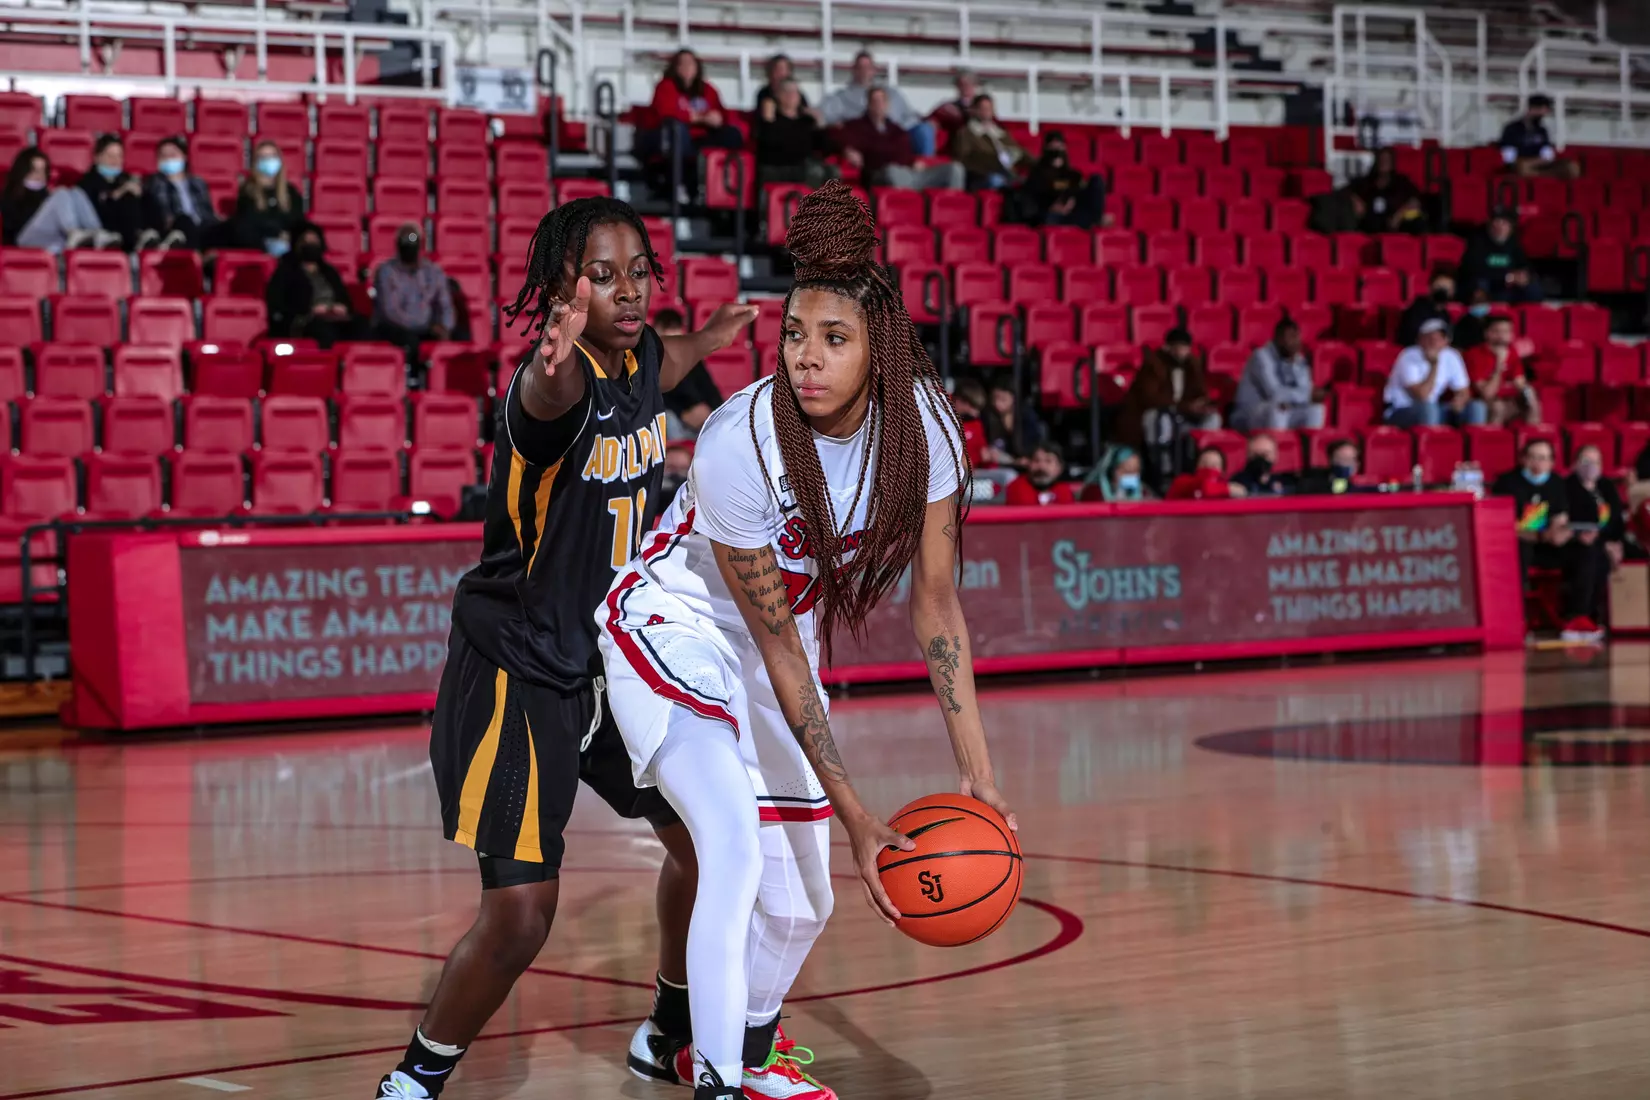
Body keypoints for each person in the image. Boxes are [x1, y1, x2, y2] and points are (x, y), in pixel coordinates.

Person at [596, 181, 1012, 1100]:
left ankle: (730, 1051)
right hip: (672, 625)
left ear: (881, 350)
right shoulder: (740, 442)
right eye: (794, 335)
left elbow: (936, 606)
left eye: (833, 339)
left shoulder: (928, 435)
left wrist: (980, 779)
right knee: (735, 849)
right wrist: (860, 811)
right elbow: (778, 651)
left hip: (771, 644)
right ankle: (717, 1082)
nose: (806, 358)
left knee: (803, 902)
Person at [373, 197, 760, 1100]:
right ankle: (416, 1082)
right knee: (520, 916)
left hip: (613, 663)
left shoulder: (643, 355)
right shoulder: (558, 382)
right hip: (520, 667)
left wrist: (714, 331)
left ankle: (666, 1029)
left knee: (706, 850)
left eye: (637, 273)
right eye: (602, 274)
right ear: (562, 290)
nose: (626, 291)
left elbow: (672, 359)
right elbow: (549, 400)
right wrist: (550, 367)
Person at [1493, 438, 1601, 643]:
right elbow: (1507, 526)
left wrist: (1562, 533)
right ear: (1523, 459)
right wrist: (1540, 535)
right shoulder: (1507, 483)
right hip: (1520, 544)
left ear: (1551, 462)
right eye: (1533, 457)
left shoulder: (1556, 483)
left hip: (1547, 546)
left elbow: (1560, 518)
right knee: (1519, 549)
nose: (1538, 463)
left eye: (1543, 458)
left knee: (1585, 550)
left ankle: (1577, 617)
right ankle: (1517, 620)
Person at [642, 48, 745, 193]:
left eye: (690, 63)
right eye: (682, 63)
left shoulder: (708, 89)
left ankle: (726, 189)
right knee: (678, 131)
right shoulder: (665, 87)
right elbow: (667, 113)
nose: (686, 67)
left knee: (732, 134)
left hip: (701, 137)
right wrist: (699, 117)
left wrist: (718, 119)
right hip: (674, 138)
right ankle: (678, 185)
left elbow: (721, 112)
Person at [834, 87, 964, 191]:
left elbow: (907, 155)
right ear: (869, 104)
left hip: (909, 173)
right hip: (881, 173)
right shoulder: (855, 127)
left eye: (882, 101)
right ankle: (910, 208)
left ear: (887, 104)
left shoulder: (897, 130)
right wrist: (847, 150)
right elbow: (834, 136)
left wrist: (914, 162)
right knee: (893, 171)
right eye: (875, 101)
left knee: (954, 169)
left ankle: (952, 215)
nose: (879, 105)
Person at [1117, 327, 1220, 452]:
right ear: (1168, 347)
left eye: (1185, 348)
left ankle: (1202, 456)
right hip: (1160, 415)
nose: (1182, 352)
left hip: (1184, 416)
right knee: (1160, 418)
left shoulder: (1193, 365)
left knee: (1213, 418)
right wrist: (1184, 406)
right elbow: (1150, 398)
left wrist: (1203, 404)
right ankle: (1161, 461)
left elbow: (1200, 391)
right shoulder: (1153, 364)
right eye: (1178, 347)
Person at [820, 50, 936, 156]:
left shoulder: (892, 93)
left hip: (897, 133)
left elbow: (909, 115)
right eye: (860, 67)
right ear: (854, 70)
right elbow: (822, 115)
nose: (865, 71)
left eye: (868, 67)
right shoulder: (840, 97)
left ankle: (925, 169)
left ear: (874, 70)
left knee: (925, 129)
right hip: (867, 136)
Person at [1, 146, 116, 252]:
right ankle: (73, 232)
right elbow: (14, 226)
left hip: (52, 239)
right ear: (23, 172)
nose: (39, 176)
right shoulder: (9, 195)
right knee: (61, 193)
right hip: (24, 240)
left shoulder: (46, 193)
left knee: (76, 192)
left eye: (42, 171)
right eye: (34, 171)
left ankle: (98, 234)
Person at [265, 221, 360, 348]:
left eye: (315, 241)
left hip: (334, 317)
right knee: (324, 331)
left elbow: (344, 298)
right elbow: (278, 305)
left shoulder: (329, 271)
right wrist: (310, 310)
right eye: (306, 241)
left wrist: (341, 307)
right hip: (305, 321)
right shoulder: (285, 271)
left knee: (360, 327)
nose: (311, 244)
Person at [1383, 319, 1485, 428]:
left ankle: (1475, 444)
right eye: (1430, 338)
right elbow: (1422, 396)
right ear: (1420, 340)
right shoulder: (1408, 356)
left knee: (1476, 407)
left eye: (1440, 338)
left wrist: (1460, 400)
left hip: (1434, 409)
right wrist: (1434, 365)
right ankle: (1429, 443)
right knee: (1429, 409)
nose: (1435, 342)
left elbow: (1464, 390)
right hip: (1400, 410)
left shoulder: (1451, 355)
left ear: (1446, 341)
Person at [372, 223, 455, 355]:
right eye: (405, 243)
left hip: (428, 327)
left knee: (460, 336)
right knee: (409, 340)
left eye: (412, 242)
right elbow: (391, 312)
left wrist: (445, 327)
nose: (409, 248)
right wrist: (422, 326)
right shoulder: (386, 272)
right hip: (397, 327)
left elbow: (445, 305)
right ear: (398, 245)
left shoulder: (433, 271)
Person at [1232, 319, 1326, 431]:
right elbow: (1274, 393)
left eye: (1297, 337)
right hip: (1249, 413)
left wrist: (1293, 365)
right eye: (1291, 337)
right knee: (1278, 409)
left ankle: (1308, 446)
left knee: (1316, 409)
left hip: (1283, 411)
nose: (1296, 342)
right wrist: (1306, 396)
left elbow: (1305, 388)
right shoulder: (1261, 357)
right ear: (1279, 339)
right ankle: (1278, 446)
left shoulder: (1298, 359)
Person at [652, 306, 725, 438]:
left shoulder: (692, 358)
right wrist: (683, 414)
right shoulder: (648, 361)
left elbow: (710, 389)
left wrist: (711, 411)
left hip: (702, 419)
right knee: (668, 421)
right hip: (675, 418)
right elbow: (652, 396)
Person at [1566, 442, 1625, 599]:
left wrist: (1614, 541)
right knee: (1593, 556)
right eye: (1587, 462)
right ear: (1575, 463)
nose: (1591, 466)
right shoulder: (1568, 487)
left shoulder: (1607, 486)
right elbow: (1571, 520)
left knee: (1637, 553)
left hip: (1607, 538)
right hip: (1577, 541)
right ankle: (1585, 613)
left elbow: (1616, 519)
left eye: (1596, 462)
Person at [1013, 130, 1107, 228]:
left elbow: (1078, 191)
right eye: (1053, 149)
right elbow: (1033, 202)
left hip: (1072, 214)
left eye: (1059, 148)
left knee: (1096, 180)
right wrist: (1053, 207)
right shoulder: (1037, 174)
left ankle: (1096, 219)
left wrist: (1070, 201)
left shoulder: (1072, 174)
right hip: (1050, 216)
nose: (1056, 153)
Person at [141, 135, 221, 250]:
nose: (168, 159)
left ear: (184, 157)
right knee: (185, 219)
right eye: (163, 156)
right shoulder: (155, 183)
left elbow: (207, 211)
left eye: (173, 155)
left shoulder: (198, 183)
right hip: (176, 227)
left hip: (203, 226)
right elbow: (161, 212)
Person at [755, 78, 834, 188]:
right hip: (779, 167)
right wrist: (768, 121)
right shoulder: (772, 120)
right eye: (786, 91)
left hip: (805, 165)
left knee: (832, 172)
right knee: (814, 171)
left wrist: (820, 123)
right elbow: (767, 147)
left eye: (795, 91)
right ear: (778, 95)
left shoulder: (806, 121)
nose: (791, 95)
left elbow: (825, 149)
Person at [1463, 313, 1540, 426]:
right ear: (1487, 333)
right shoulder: (1474, 354)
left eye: (1506, 331)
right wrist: (1499, 364)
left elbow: (1520, 383)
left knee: (1532, 403)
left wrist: (1529, 395)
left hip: (1504, 400)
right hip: (1477, 403)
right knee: (1498, 407)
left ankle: (1534, 441)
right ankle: (1492, 442)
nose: (1502, 336)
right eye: (1497, 331)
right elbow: (1487, 393)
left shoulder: (1512, 352)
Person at [232, 140, 304, 255]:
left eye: (272, 156)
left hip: (290, 242)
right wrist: (277, 233)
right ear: (256, 162)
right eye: (264, 157)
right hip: (262, 244)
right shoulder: (248, 192)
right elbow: (249, 224)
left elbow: (298, 221)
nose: (269, 161)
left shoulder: (291, 192)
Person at [948, 94, 1031, 190]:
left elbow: (1018, 152)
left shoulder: (1001, 133)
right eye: (982, 108)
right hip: (982, 176)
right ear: (974, 110)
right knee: (996, 179)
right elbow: (963, 158)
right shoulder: (965, 133)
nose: (986, 111)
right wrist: (994, 160)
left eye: (989, 108)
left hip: (1007, 172)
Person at [1460, 210, 1542, 303]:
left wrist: (1524, 276)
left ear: (1511, 228)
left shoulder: (1514, 243)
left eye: (1504, 223)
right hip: (1489, 285)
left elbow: (1524, 265)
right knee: (1480, 284)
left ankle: (1530, 315)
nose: (1499, 226)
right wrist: (1507, 277)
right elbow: (1474, 270)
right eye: (1496, 222)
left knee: (1532, 287)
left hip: (1508, 287)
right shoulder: (1478, 242)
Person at [78, 135, 144, 251]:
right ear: (97, 157)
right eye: (110, 156)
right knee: (127, 197)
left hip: (128, 226)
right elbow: (94, 208)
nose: (115, 161)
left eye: (119, 156)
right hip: (102, 229)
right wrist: (119, 193)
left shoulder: (125, 178)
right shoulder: (87, 181)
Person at [1499, 93, 1579, 179]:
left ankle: (1541, 175)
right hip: (1522, 163)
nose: (1544, 114)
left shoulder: (1542, 130)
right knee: (1523, 167)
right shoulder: (1512, 128)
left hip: (1541, 164)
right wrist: (1530, 162)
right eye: (1541, 110)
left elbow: (1548, 156)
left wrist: (1541, 161)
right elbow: (1509, 159)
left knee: (1572, 167)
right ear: (1532, 109)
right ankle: (1544, 175)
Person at [1349, 147, 1427, 234]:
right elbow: (1346, 191)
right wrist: (1355, 200)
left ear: (1392, 162)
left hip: (1396, 224)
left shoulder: (1402, 182)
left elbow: (1415, 200)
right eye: (1381, 159)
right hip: (1369, 223)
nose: (1383, 163)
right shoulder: (1366, 181)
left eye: (1386, 160)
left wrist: (1399, 215)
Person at [982, 380, 1043, 468]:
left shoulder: (1026, 416)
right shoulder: (988, 416)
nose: (997, 403)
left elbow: (1033, 444)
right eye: (994, 399)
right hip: (997, 462)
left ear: (1013, 398)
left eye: (1003, 399)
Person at [1005, 441, 1077, 505]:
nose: (1041, 467)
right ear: (1029, 465)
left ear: (1059, 468)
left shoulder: (1065, 492)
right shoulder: (1016, 488)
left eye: (1048, 461)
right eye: (1036, 461)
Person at [753, 54, 818, 120]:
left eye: (783, 69)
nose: (780, 73)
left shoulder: (797, 94)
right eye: (777, 69)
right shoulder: (765, 94)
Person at [1168, 446, 1243, 500]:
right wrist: (1228, 489)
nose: (1209, 469)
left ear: (1223, 472)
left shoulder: (1229, 488)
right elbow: (1206, 488)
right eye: (1204, 464)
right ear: (1196, 467)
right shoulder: (1181, 482)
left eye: (1214, 465)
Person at [1082, 445, 1154, 502]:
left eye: (1136, 471)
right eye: (1127, 472)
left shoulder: (1144, 492)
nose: (1132, 476)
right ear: (1114, 471)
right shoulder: (1094, 492)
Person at [1298, 439, 1364, 495]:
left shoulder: (1362, 488)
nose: (1346, 464)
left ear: (1358, 464)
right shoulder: (1312, 483)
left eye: (1350, 459)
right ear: (1330, 460)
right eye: (1341, 459)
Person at [927, 68, 981, 137]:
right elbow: (931, 122)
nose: (964, 88)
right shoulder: (948, 108)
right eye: (961, 84)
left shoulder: (983, 107)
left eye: (968, 84)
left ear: (975, 85)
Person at [950, 377, 990, 468]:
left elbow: (984, 453)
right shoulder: (941, 414)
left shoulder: (976, 423)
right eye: (973, 407)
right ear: (960, 401)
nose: (976, 413)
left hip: (975, 472)